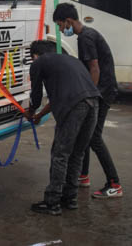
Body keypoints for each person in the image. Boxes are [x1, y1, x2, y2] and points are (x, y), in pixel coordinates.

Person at [52, 3, 123, 199]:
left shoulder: (86, 38)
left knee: (94, 138)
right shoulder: (87, 35)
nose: (60, 29)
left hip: (102, 92)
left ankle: (114, 183)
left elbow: (94, 68)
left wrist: (88, 96)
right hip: (102, 90)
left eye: (60, 25)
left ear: (68, 21)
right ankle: (83, 176)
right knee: (85, 133)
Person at [26, 40, 100, 215]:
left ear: (35, 55)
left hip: (75, 107)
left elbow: (36, 96)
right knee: (77, 153)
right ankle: (70, 198)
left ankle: (52, 202)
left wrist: (30, 112)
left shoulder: (39, 63)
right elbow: (60, 98)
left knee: (60, 154)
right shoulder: (69, 60)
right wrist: (38, 115)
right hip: (94, 103)